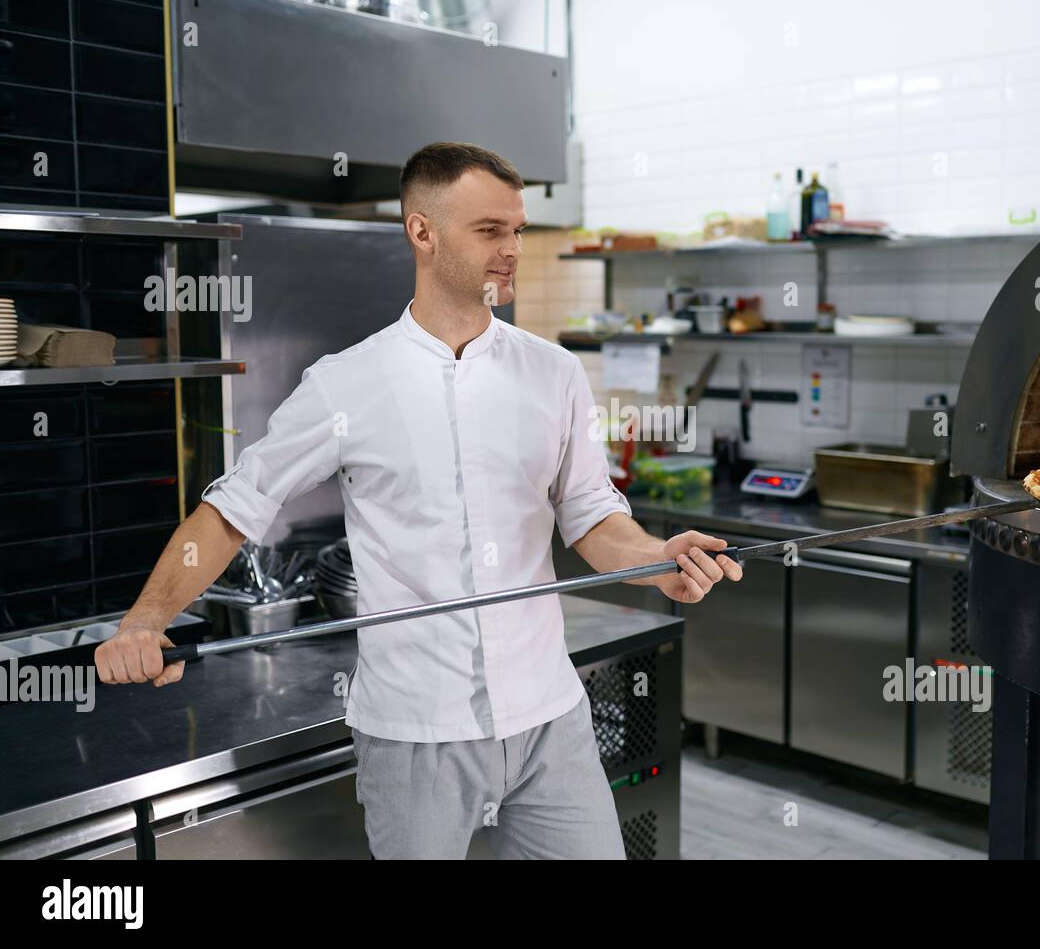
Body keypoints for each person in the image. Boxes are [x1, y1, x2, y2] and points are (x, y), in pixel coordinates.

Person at [94, 141, 742, 859]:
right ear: (422, 232)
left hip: (548, 715)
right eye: (489, 231)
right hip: (414, 732)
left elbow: (589, 510)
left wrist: (656, 558)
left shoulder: (553, 372)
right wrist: (146, 621)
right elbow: (233, 509)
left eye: (518, 230)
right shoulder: (347, 382)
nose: (512, 250)